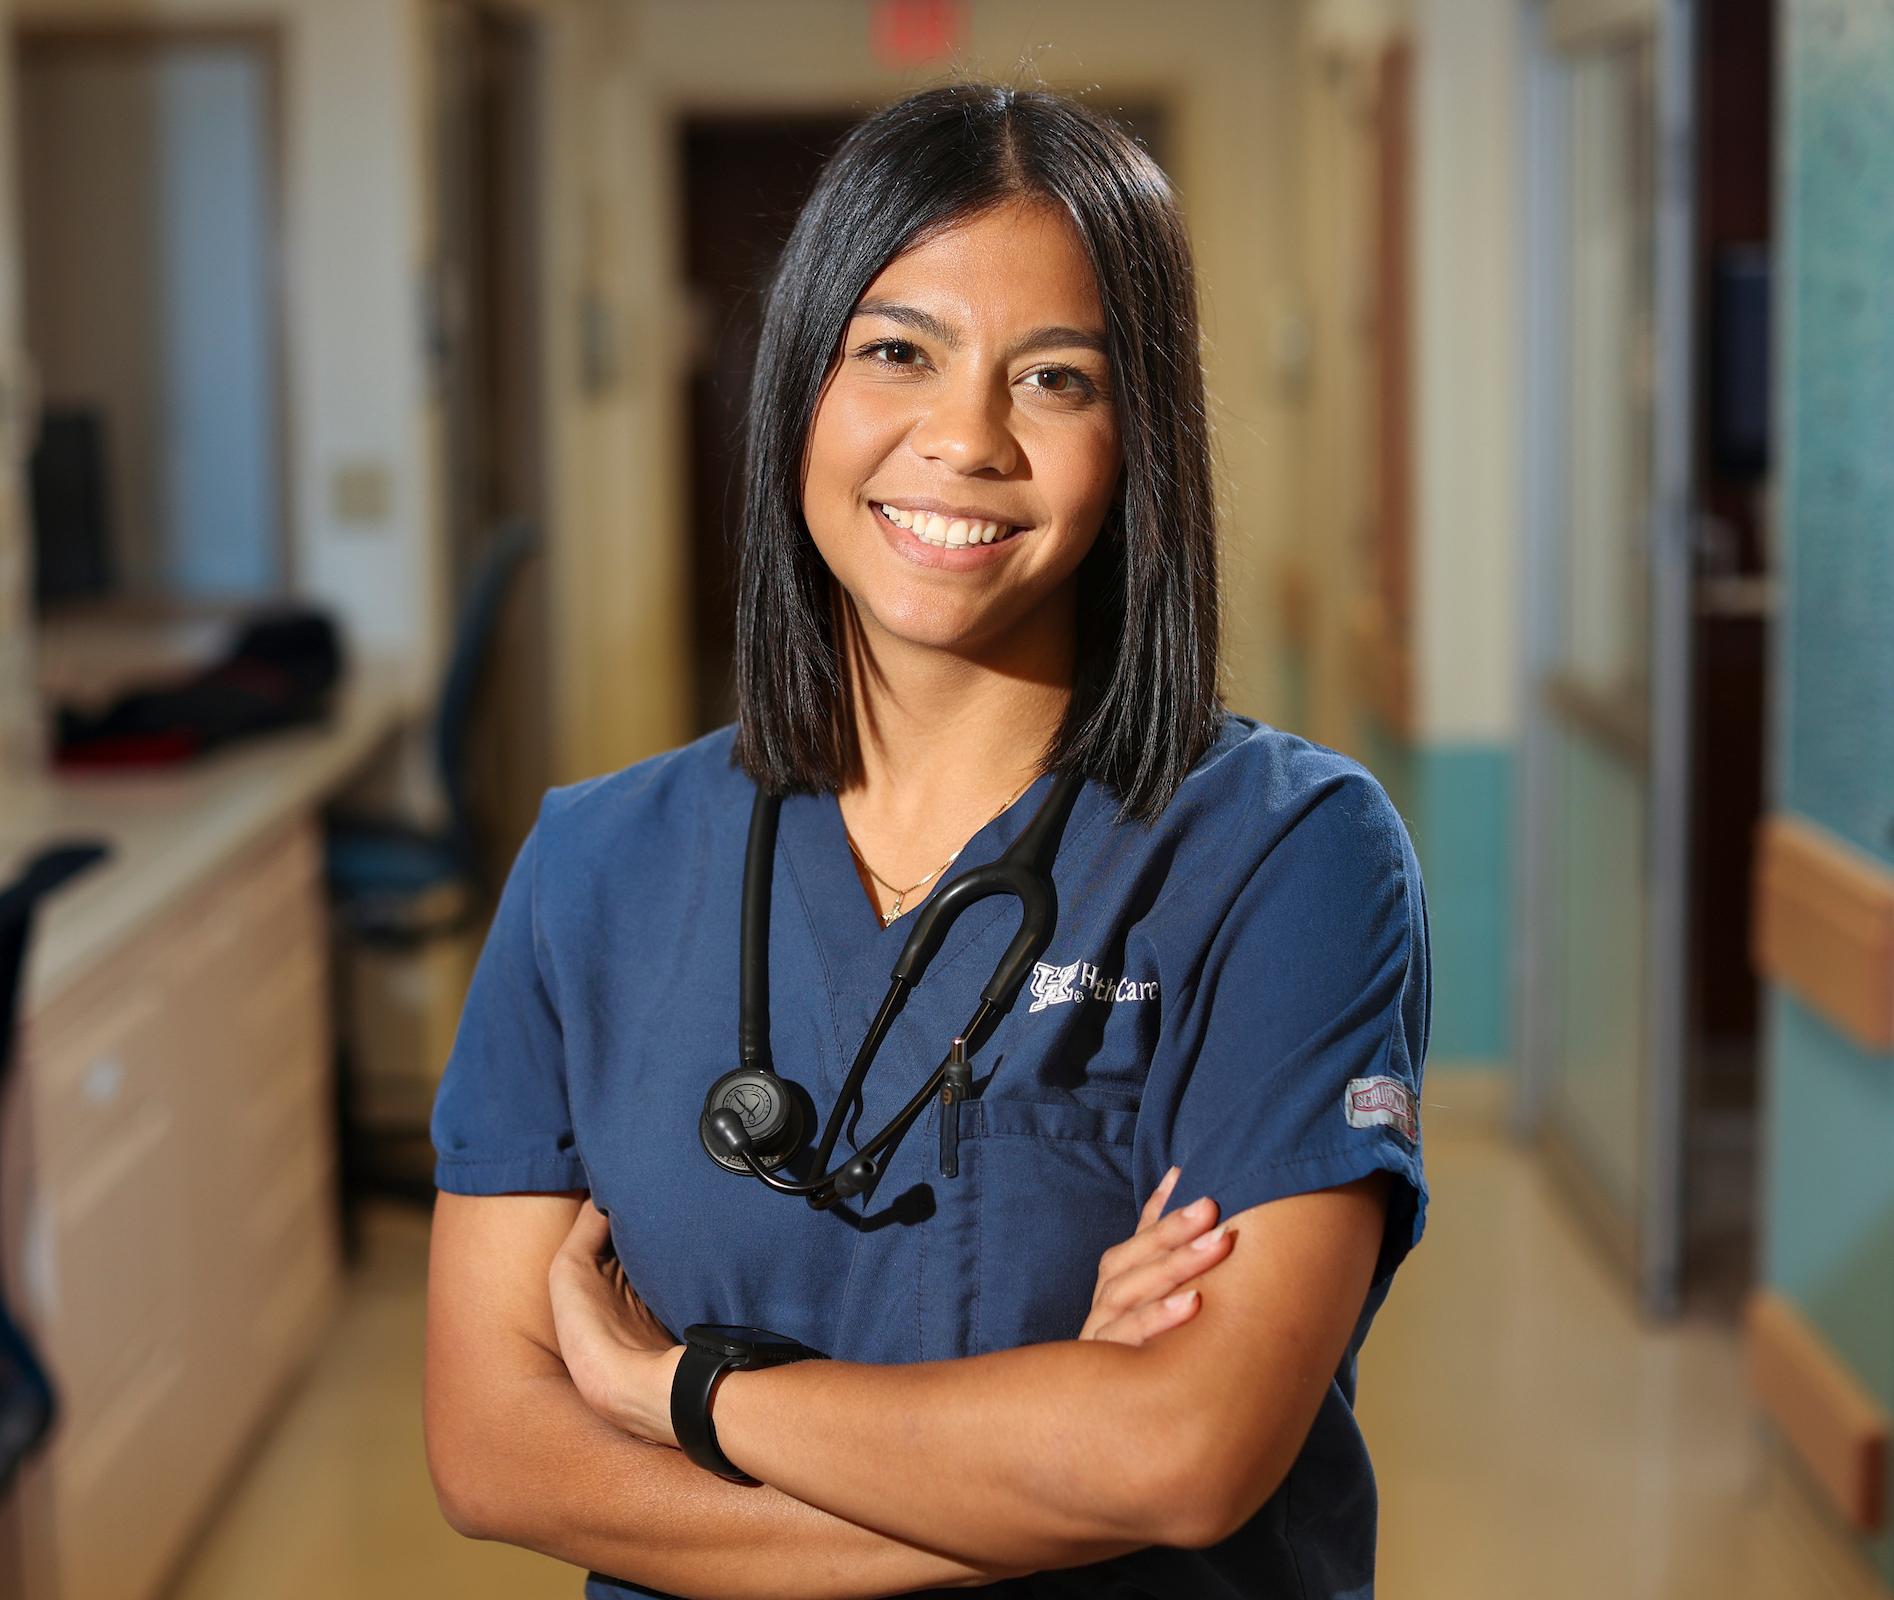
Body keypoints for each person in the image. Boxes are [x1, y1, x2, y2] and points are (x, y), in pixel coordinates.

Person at [424, 82, 1429, 1600]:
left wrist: (680, 1399)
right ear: (798, 391)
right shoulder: (597, 870)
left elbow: (1189, 1457)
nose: (963, 440)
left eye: (1057, 380)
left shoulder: (1288, 859)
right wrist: (1038, 1464)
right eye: (898, 351)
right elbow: (494, 1449)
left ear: (1139, 435)